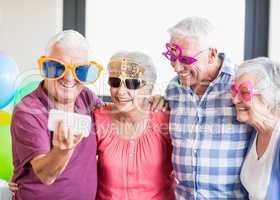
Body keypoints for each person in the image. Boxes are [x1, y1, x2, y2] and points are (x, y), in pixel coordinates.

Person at [163, 17, 253, 199]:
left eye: (185, 59)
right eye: (172, 57)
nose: (177, 67)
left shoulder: (243, 83)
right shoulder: (174, 89)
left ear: (212, 54)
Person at [10, 30, 102, 200]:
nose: (68, 78)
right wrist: (62, 150)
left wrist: (155, 102)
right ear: (45, 67)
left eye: (80, 71)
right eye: (58, 67)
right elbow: (46, 175)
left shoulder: (87, 97)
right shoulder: (27, 110)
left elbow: (117, 122)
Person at [94, 51, 175, 199]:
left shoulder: (166, 120)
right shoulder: (98, 118)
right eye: (115, 82)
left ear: (149, 89)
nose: (121, 91)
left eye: (132, 83)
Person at [231, 57, 280, 200]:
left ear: (270, 98)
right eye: (234, 91)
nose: (235, 100)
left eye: (244, 92)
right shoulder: (258, 130)